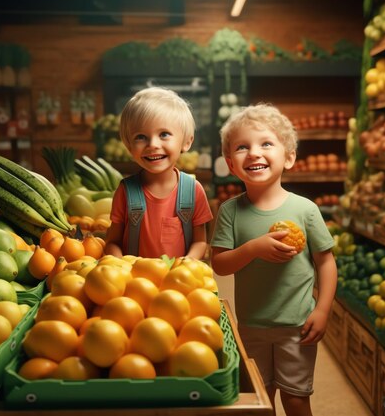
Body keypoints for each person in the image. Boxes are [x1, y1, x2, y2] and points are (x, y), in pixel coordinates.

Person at [211, 103, 337, 416]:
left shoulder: (305, 209)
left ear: (289, 156)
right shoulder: (230, 211)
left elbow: (325, 262)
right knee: (260, 398)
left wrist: (322, 309)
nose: (254, 153)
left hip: (298, 326)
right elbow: (220, 263)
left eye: (266, 143)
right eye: (242, 147)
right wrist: (253, 248)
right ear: (230, 163)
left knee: (296, 399)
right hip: (251, 324)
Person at [104, 87, 213, 260]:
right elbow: (112, 242)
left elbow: (200, 242)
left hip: (178, 282)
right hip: (136, 282)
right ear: (129, 146)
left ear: (186, 142)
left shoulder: (193, 191)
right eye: (141, 137)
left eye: (164, 134)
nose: (153, 144)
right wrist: (121, 264)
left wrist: (188, 261)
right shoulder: (126, 191)